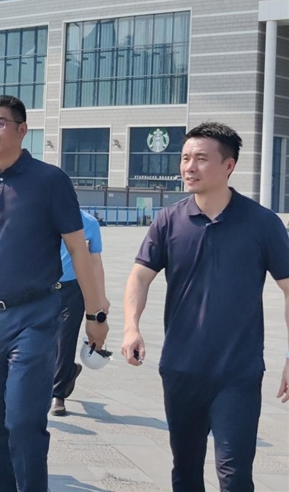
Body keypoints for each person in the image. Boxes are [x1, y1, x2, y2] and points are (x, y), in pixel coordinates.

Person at [0, 96, 109, 492]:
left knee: (23, 421)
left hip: (34, 316)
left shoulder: (50, 181)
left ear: (22, 130)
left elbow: (79, 250)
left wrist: (95, 314)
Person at [121, 122, 289, 492]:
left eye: (200, 159)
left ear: (229, 166)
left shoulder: (262, 223)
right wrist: (131, 327)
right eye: (185, 158)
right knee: (185, 472)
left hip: (238, 374)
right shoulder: (168, 221)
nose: (189, 167)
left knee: (235, 475)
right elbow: (139, 277)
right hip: (180, 370)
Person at [51, 209, 105, 417]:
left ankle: (58, 395)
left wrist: (100, 298)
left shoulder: (90, 223)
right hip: (44, 287)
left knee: (65, 339)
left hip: (74, 289)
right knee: (44, 339)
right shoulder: (44, 216)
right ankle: (68, 372)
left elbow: (95, 262)